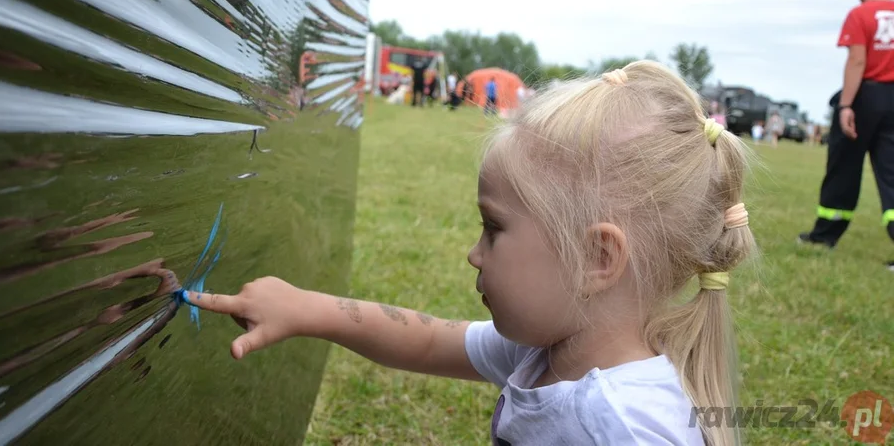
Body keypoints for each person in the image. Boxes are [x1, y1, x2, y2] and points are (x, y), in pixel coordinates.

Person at [187, 61, 756, 446]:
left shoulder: (624, 426)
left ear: (596, 259)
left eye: (493, 229)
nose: (473, 255)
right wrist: (305, 309)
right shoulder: (548, 352)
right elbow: (431, 338)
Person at [798, 0, 894, 269]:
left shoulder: (859, 14)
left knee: (844, 167)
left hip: (866, 95)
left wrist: (846, 105)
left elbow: (856, 62)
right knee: (891, 174)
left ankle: (826, 234)